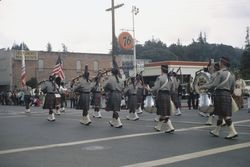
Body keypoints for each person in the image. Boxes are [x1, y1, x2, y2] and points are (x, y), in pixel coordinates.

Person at [200, 56, 238, 139]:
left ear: (222, 63)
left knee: (225, 115)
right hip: (227, 94)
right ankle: (216, 131)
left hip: (220, 94)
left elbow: (214, 84)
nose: (219, 64)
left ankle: (233, 131)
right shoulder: (232, 74)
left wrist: (204, 86)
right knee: (221, 115)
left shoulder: (220, 73)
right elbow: (232, 88)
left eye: (220, 62)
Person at [150, 64, 175, 133]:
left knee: (163, 113)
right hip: (168, 96)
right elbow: (173, 90)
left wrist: (149, 89)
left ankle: (171, 127)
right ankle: (158, 127)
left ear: (161, 70)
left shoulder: (160, 78)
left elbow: (155, 88)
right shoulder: (171, 79)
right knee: (163, 112)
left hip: (161, 96)